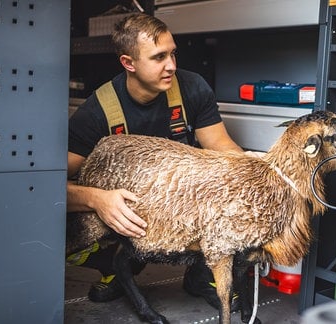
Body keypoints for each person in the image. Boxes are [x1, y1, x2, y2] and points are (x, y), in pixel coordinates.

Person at [66, 13, 244, 308]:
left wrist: (258, 176)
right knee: (81, 222)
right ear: (129, 63)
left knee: (234, 184)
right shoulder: (97, 111)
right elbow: (47, 186)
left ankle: (202, 275)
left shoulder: (191, 87)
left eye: (173, 53)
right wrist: (97, 199)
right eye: (159, 57)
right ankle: (114, 267)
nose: (171, 65)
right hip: (128, 213)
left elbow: (221, 147)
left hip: (181, 205)